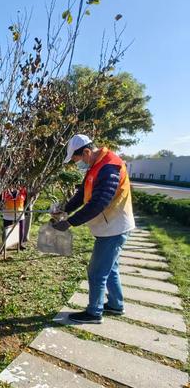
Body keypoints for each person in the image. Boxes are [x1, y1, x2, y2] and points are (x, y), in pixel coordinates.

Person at [52, 134, 135, 324]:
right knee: (111, 268)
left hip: (114, 228)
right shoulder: (95, 166)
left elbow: (98, 203)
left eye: (77, 159)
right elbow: (82, 194)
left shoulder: (109, 167)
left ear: (87, 152)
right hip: (108, 227)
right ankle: (115, 305)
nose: (77, 164)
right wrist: (65, 209)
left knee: (96, 272)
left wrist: (70, 222)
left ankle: (94, 313)